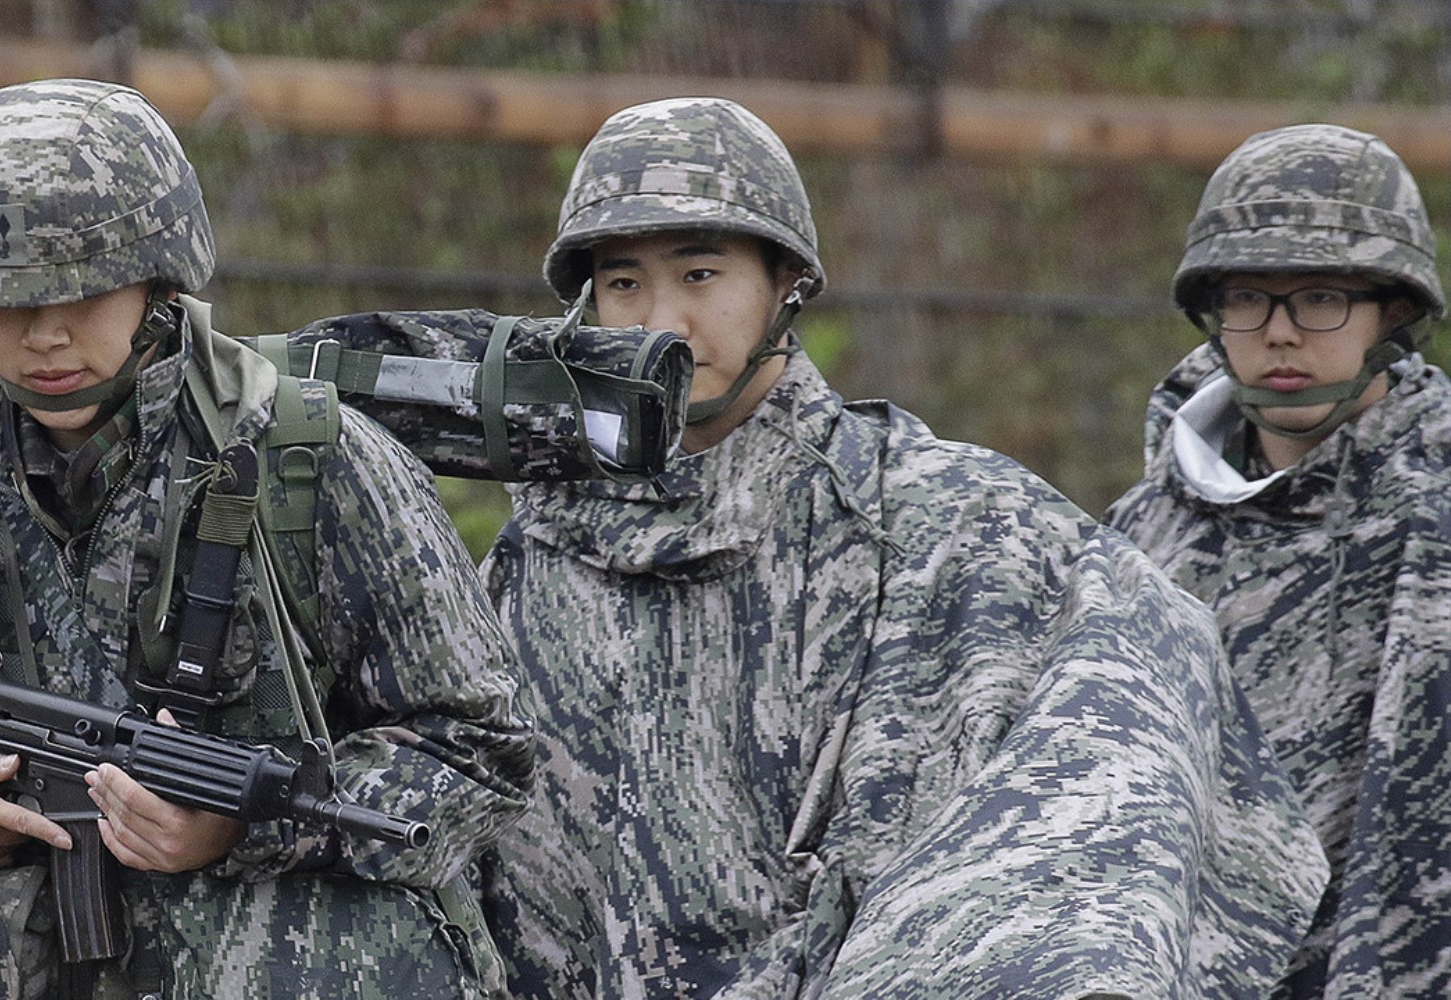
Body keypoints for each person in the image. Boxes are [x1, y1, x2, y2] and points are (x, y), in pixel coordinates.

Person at [473, 96, 1329, 998]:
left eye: (699, 276)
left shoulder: (946, 518)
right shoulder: (543, 551)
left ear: (786, 283)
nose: (661, 322)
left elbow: (1144, 704)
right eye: (623, 284)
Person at [0, 79, 531, 1000]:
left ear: (159, 275)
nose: (45, 333)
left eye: (83, 289)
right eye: (5, 300)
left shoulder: (311, 460)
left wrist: (249, 827)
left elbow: (481, 748)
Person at [1108, 124, 1451, 998]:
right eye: (1249, 299)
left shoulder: (1434, 513)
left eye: (1322, 298)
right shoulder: (1137, 540)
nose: (1282, 333)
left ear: (1395, 312)